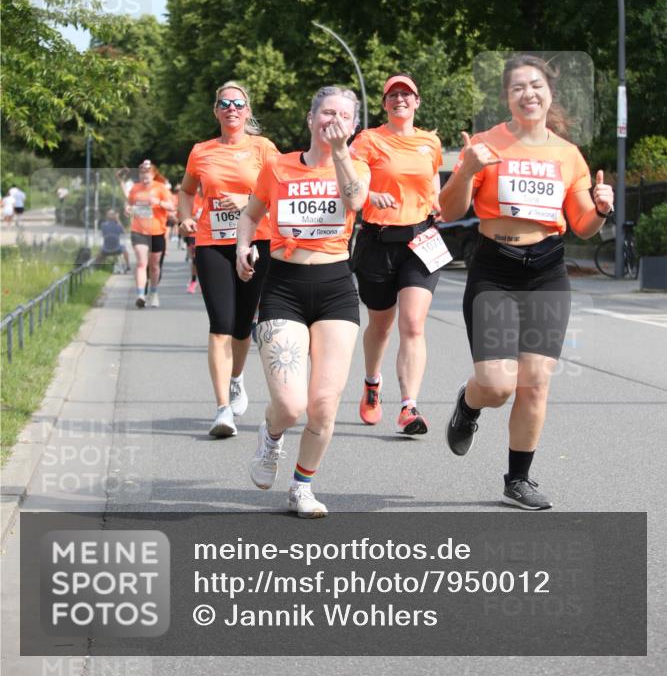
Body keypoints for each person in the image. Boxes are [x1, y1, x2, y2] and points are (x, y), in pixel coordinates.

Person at [439, 53, 614, 510]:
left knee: (535, 381)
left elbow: (581, 225)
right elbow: (450, 211)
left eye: (535, 85)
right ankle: (469, 404)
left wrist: (599, 208)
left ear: (549, 92)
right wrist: (468, 169)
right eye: (517, 87)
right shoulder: (485, 143)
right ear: (506, 96)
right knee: (497, 385)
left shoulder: (567, 154)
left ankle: (518, 480)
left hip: (547, 270)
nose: (528, 94)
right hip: (495, 268)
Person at [236, 86, 370, 518]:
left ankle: (302, 486)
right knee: (292, 405)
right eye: (326, 112)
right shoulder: (278, 168)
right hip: (285, 286)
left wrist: (341, 153)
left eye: (343, 116)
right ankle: (271, 436)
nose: (334, 120)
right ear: (310, 119)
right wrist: (242, 246)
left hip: (336, 287)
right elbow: (252, 215)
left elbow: (356, 202)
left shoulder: (357, 165)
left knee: (324, 404)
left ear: (353, 125)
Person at [350, 74, 449, 436]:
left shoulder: (430, 142)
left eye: (406, 94)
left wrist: (439, 204)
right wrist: (367, 195)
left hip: (420, 241)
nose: (400, 99)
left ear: (417, 101)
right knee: (381, 325)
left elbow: (432, 183)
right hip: (377, 242)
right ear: (384, 104)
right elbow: (354, 180)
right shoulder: (368, 140)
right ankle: (372, 383)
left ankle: (409, 406)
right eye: (393, 95)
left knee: (413, 324)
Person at [178, 82, 278, 438]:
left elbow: (280, 189)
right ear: (216, 111)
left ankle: (237, 379)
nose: (231, 108)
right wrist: (185, 216)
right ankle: (222, 410)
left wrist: (248, 200)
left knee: (241, 326)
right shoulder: (201, 151)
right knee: (220, 324)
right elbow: (187, 192)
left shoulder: (263, 148)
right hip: (213, 245)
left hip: (255, 242)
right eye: (224, 103)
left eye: (238, 103)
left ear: (247, 111)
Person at [118, 160, 174, 308]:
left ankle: (153, 293)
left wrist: (159, 202)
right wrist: (128, 209)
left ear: (153, 174)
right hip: (139, 230)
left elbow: (171, 206)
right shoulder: (135, 189)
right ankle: (141, 295)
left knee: (154, 266)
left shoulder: (161, 188)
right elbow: (129, 204)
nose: (145, 176)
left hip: (157, 231)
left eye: (148, 173)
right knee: (142, 263)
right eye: (142, 173)